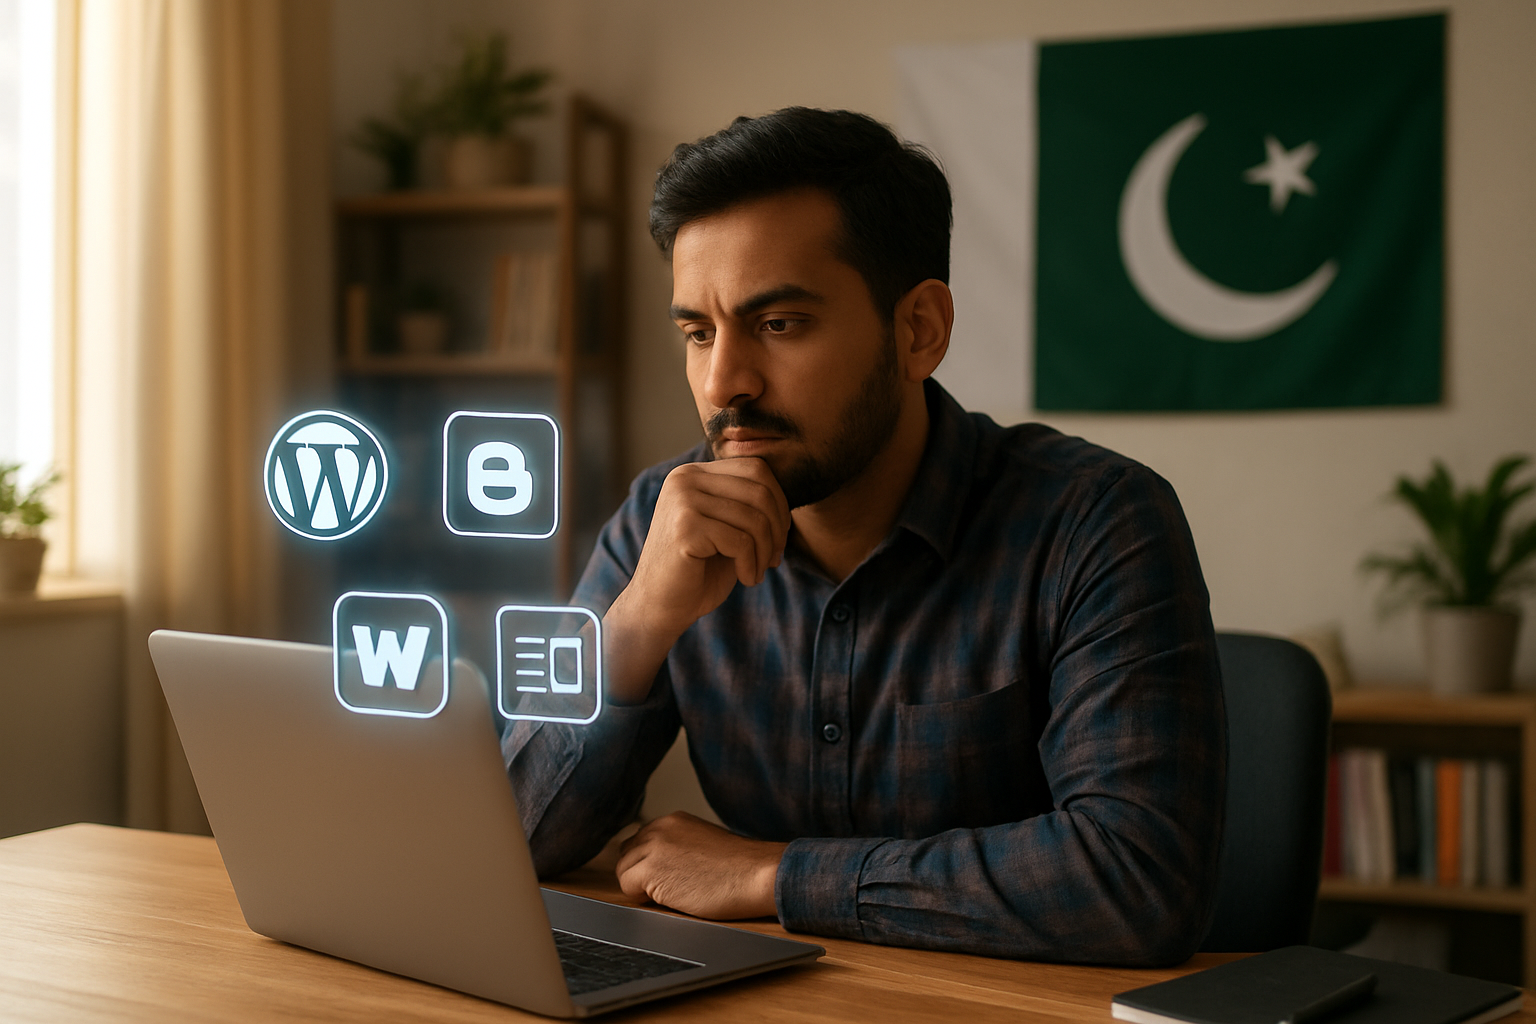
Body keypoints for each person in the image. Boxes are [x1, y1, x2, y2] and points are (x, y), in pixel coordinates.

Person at [502, 107, 1226, 965]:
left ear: (919, 330)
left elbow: (1138, 881)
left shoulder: (1097, 521)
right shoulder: (660, 521)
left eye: (779, 325)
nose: (722, 381)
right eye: (698, 332)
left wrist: (775, 877)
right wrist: (638, 622)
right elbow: (505, 842)